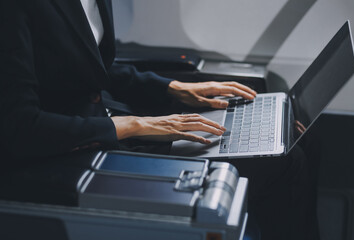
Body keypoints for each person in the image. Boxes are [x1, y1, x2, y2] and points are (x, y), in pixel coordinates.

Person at [0, 1, 318, 239]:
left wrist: (173, 87)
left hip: (108, 120)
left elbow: (86, 64)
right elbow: (19, 126)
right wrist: (137, 125)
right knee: (287, 162)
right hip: (70, 150)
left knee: (290, 138)